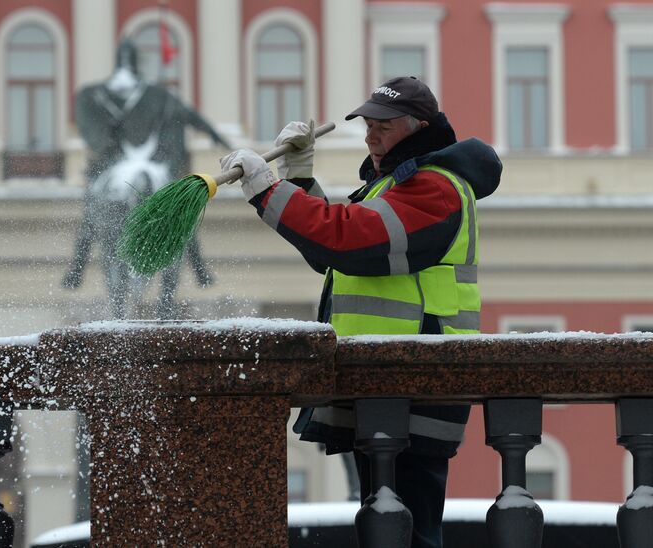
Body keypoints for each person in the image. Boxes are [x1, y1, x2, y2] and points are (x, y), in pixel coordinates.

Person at [220, 76, 502, 548]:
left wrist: (268, 191)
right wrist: (299, 177)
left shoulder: (434, 187)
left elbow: (347, 239)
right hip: (387, 387)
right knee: (386, 528)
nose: (371, 137)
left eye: (383, 127)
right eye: (368, 126)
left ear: (418, 128)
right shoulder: (395, 185)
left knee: (406, 533)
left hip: (414, 386)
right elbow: (332, 249)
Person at [63, 39, 228, 319]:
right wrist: (218, 137)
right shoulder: (117, 94)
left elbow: (189, 117)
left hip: (134, 166)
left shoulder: (144, 94)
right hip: (129, 166)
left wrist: (216, 136)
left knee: (99, 207)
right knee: (178, 209)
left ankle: (77, 268)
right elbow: (191, 118)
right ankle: (199, 268)